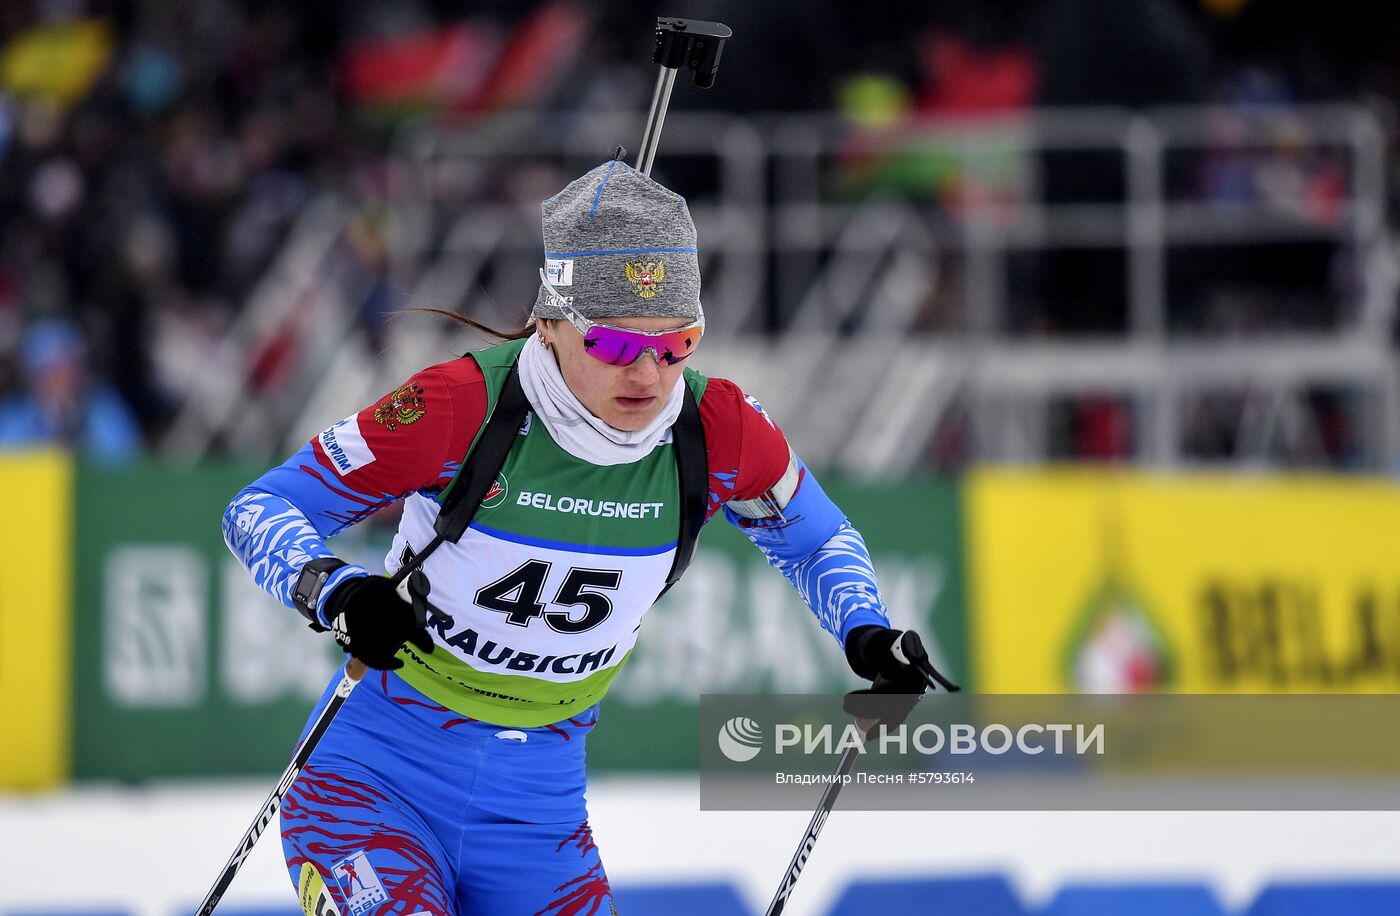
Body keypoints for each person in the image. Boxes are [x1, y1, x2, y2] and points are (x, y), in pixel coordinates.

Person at [223, 159, 936, 916]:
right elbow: (260, 507)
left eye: (677, 343)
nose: (649, 374)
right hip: (372, 784)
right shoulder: (461, 407)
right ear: (551, 324)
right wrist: (335, 589)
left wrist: (866, 631)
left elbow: (816, 541)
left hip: (538, 817)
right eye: (616, 345)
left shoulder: (718, 430)